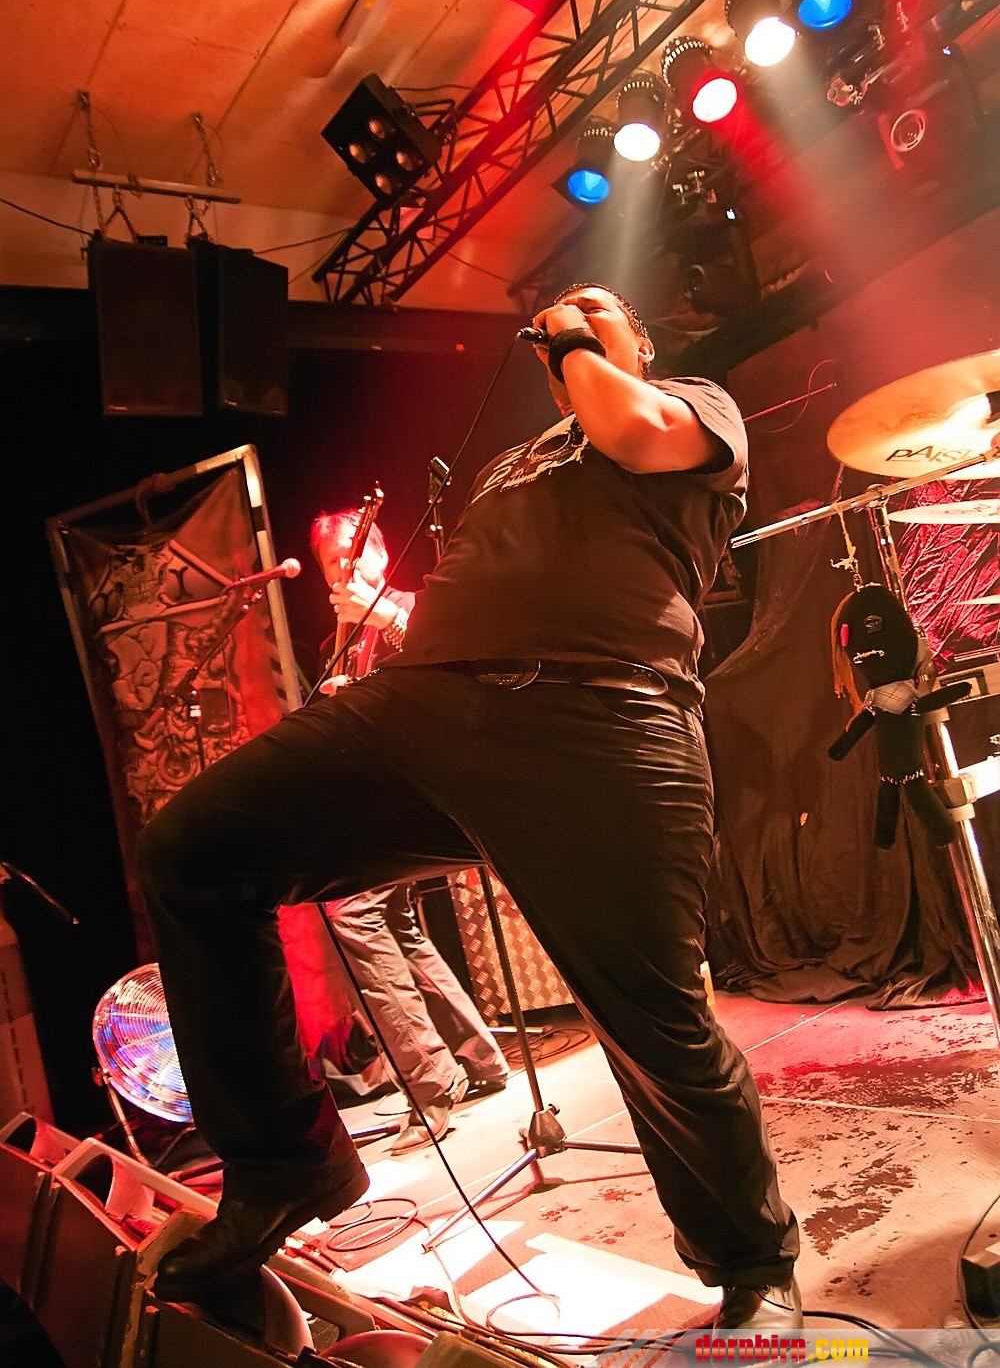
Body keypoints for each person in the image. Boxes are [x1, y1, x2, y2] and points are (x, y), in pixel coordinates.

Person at [138, 283, 801, 1331]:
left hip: (603, 714)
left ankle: (753, 1266)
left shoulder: (691, 405)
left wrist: (576, 339)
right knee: (193, 852)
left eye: (595, 307)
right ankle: (282, 1167)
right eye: (561, 316)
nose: (565, 317)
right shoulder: (513, 463)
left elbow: (629, 427)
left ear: (639, 340)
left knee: (654, 1018)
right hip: (428, 708)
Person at [309, 510, 510, 1152]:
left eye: (352, 554)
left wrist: (381, 617)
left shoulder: (413, 608)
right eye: (330, 562)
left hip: (429, 793)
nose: (341, 570)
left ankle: (431, 1081)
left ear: (380, 552)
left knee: (349, 911)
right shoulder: (338, 641)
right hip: (382, 798)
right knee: (394, 922)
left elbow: (451, 662)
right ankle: (479, 1059)